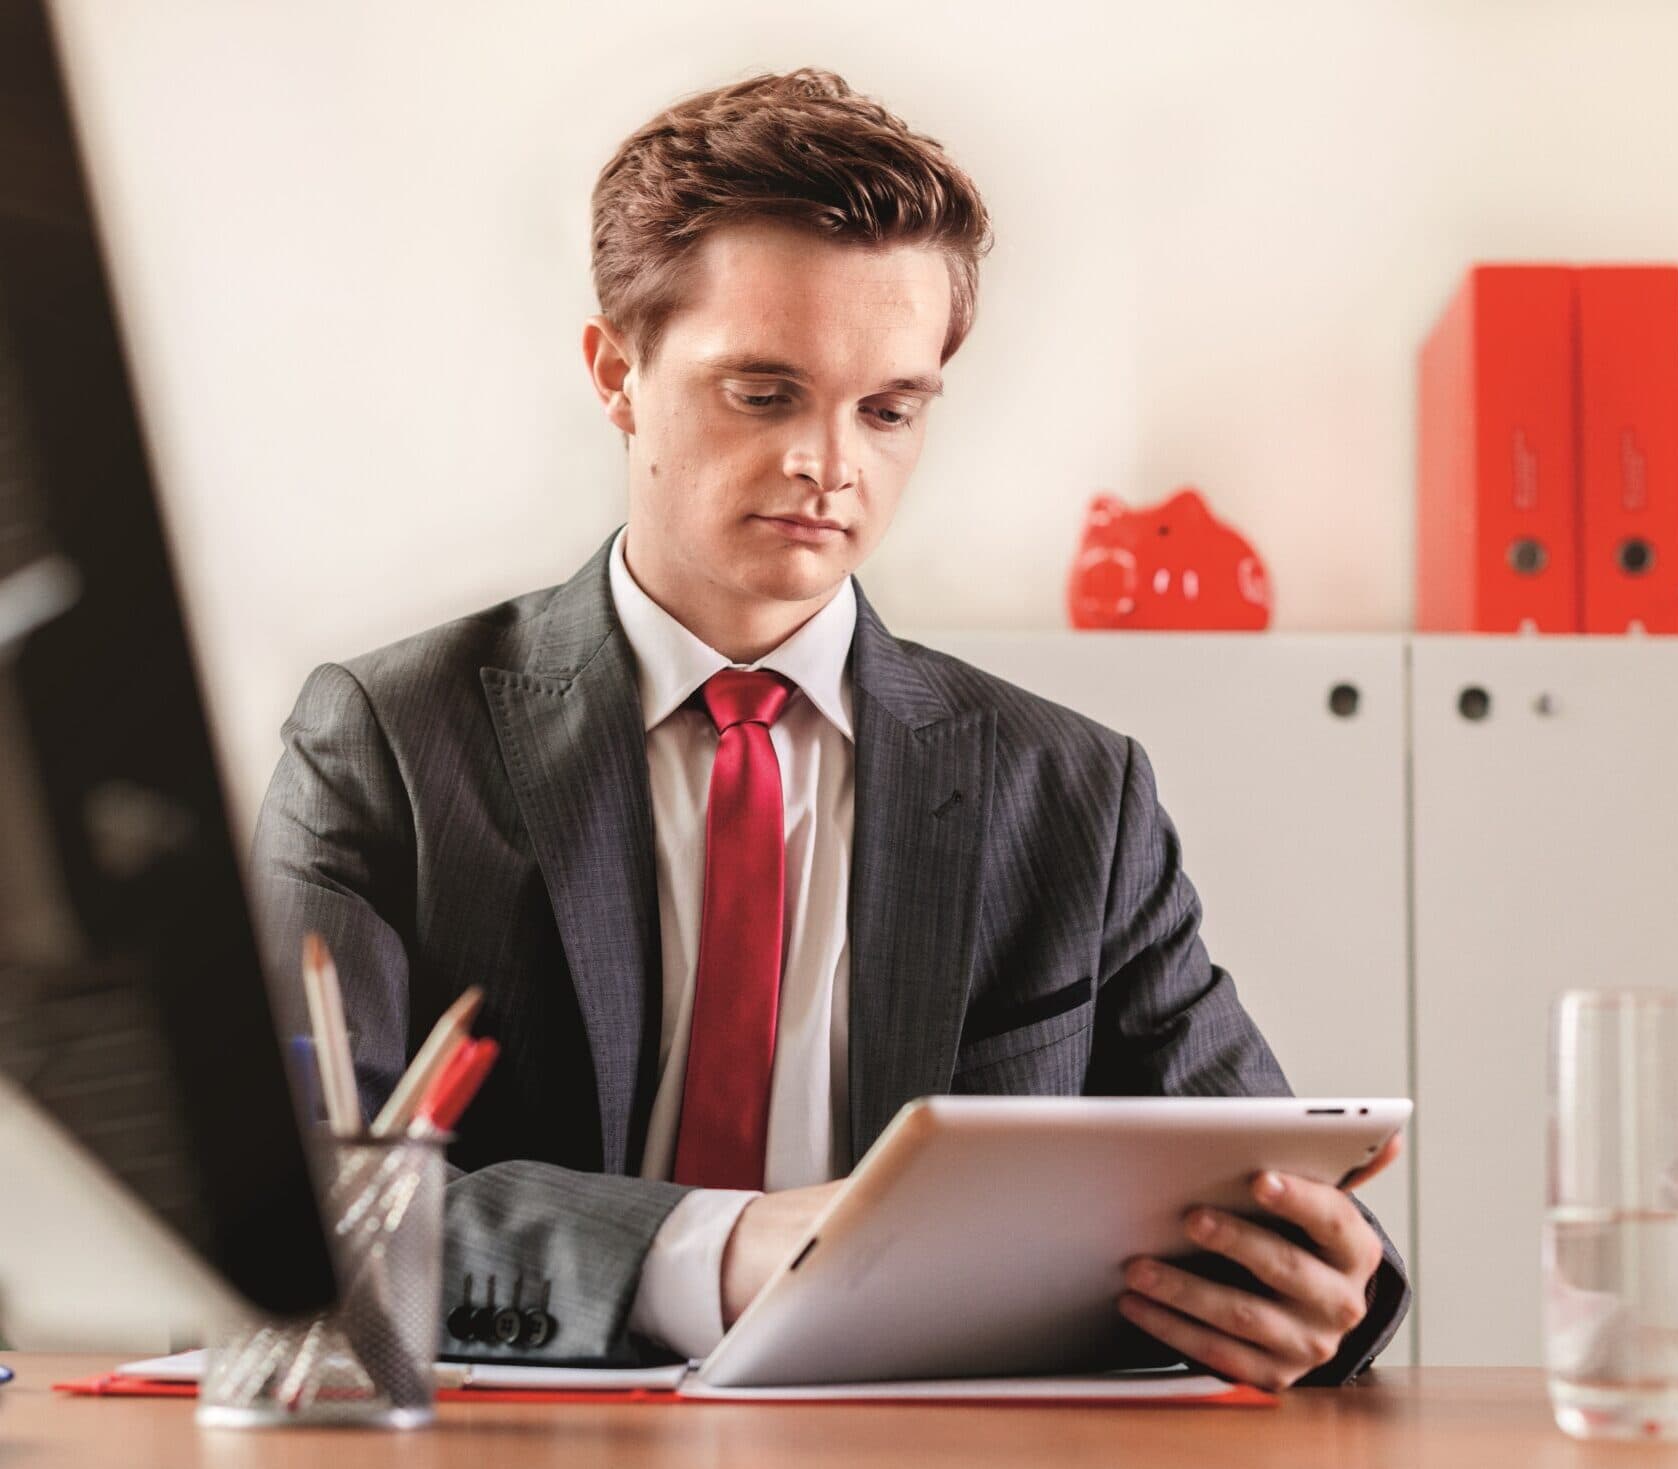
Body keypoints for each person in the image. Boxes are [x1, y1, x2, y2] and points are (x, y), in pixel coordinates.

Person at [251, 67, 1409, 1390]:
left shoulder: (1067, 792)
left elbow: (1262, 1189)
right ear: (614, 372)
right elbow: (305, 1208)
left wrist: (1326, 1290)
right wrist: (721, 1248)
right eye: (763, 393)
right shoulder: (389, 744)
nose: (830, 464)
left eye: (889, 410)